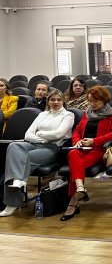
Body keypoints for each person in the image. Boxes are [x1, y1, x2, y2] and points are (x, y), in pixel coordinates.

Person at [0, 89, 74, 217]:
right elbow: (28, 134)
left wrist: (40, 134)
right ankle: (19, 181)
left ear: (63, 101)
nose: (56, 102)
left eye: (59, 100)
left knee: (20, 159)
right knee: (13, 146)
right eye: (52, 100)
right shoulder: (42, 115)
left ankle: (12, 203)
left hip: (51, 149)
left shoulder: (68, 115)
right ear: (48, 102)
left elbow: (58, 134)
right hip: (33, 144)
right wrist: (43, 138)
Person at [61, 86, 112, 221]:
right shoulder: (86, 113)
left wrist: (94, 141)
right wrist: (77, 141)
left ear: (104, 100)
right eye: (90, 101)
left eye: (95, 101)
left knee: (76, 165)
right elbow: (77, 131)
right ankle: (80, 188)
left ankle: (73, 202)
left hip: (99, 149)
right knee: (73, 154)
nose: (92, 104)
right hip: (82, 148)